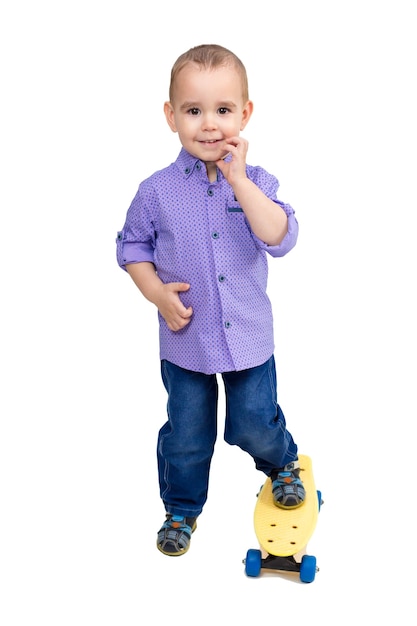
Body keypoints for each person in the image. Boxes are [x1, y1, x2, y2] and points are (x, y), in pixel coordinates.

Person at [116, 44, 305, 557]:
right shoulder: (155, 191)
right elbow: (131, 247)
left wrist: (239, 179)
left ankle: (282, 462)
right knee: (188, 436)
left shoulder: (258, 182)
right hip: (186, 340)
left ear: (244, 114)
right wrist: (155, 292)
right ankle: (180, 509)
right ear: (171, 116)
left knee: (252, 422)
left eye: (223, 110)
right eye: (193, 110)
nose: (208, 124)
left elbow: (281, 237)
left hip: (247, 336)